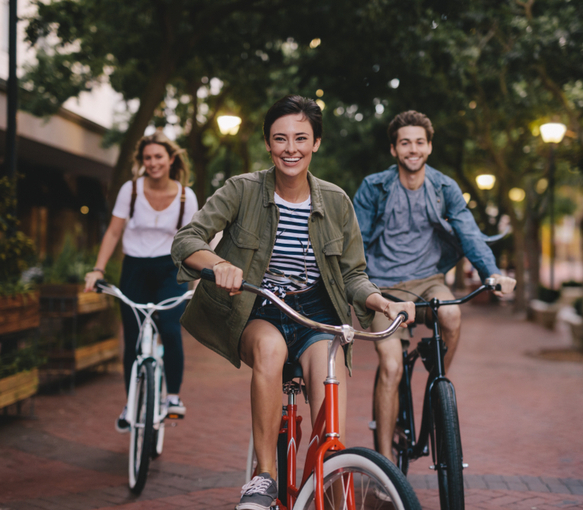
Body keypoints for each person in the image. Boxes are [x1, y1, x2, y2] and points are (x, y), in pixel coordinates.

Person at [171, 95, 415, 510]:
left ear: (316, 142)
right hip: (259, 307)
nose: (291, 148)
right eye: (280, 138)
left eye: (301, 138)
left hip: (317, 313)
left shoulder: (336, 201)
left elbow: (354, 274)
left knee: (327, 394)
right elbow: (186, 241)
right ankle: (264, 477)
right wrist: (218, 264)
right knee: (271, 348)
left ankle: (331, 478)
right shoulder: (242, 189)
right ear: (268, 143)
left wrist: (381, 301)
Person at [353, 110, 516, 464]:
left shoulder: (444, 188)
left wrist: (492, 273)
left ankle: (435, 386)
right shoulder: (374, 187)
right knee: (392, 367)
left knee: (454, 315)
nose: (413, 149)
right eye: (405, 143)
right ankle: (384, 466)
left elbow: (470, 235)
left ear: (429, 147)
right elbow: (357, 244)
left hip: (429, 281)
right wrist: (362, 289)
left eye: (419, 142)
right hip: (384, 288)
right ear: (394, 150)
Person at [83, 131, 198, 432]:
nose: (153, 163)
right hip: (134, 269)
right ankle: (131, 402)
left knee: (171, 329)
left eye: (158, 156)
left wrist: (198, 281)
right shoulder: (130, 190)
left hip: (170, 269)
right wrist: (98, 269)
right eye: (147, 158)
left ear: (171, 159)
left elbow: (195, 241)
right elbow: (113, 232)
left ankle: (172, 396)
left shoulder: (186, 195)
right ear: (142, 161)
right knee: (132, 339)